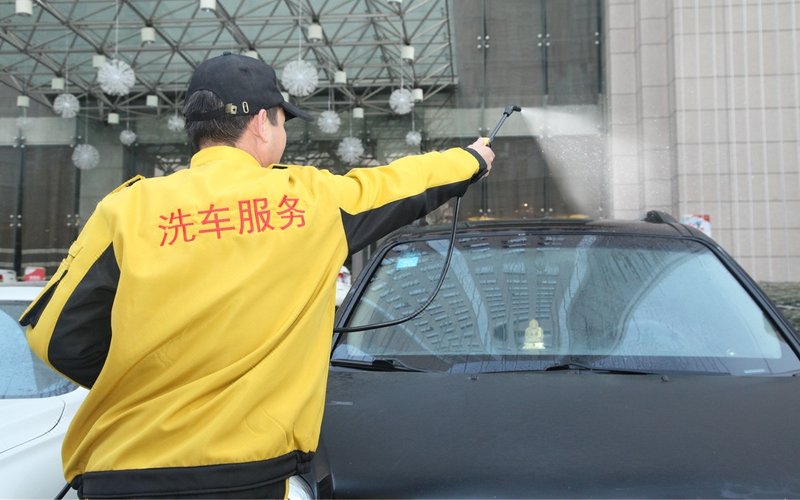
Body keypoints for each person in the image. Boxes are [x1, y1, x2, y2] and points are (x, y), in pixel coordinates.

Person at [20, 52, 494, 499]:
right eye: (283, 120)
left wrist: (153, 381)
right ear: (261, 123)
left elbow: (55, 337)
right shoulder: (309, 201)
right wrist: (471, 159)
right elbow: (401, 183)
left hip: (119, 470)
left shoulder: (127, 208)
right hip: (244, 475)